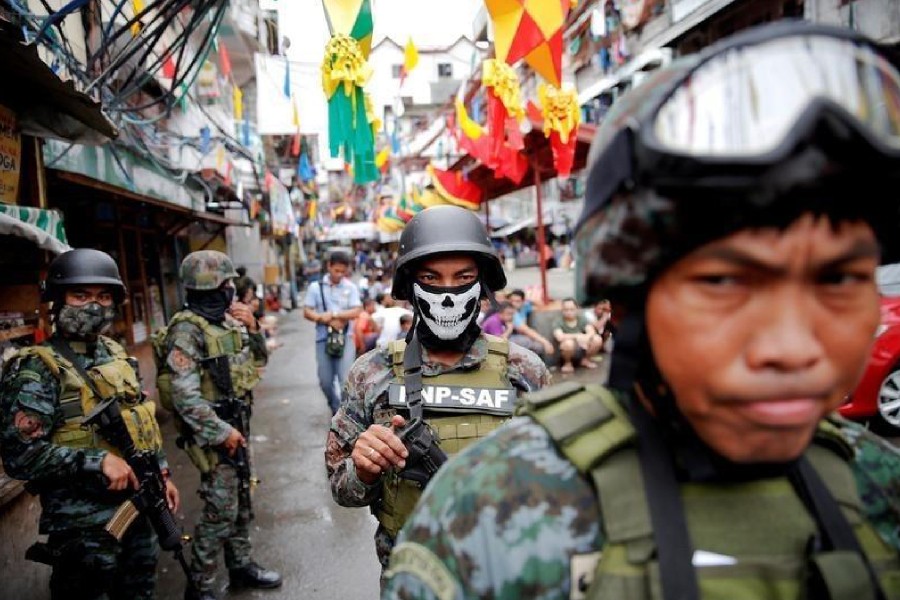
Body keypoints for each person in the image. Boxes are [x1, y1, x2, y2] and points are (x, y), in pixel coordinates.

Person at [384, 22, 900, 599]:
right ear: (626, 301)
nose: (795, 345)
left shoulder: (882, 490)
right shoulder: (481, 518)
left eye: (838, 278)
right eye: (725, 282)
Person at [326, 205, 551, 585]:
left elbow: (556, 489)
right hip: (412, 578)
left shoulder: (524, 370)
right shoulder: (372, 373)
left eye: (463, 277)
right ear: (410, 286)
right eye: (431, 278)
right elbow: (341, 489)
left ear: (482, 285)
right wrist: (363, 469)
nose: (448, 293)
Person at [0, 248, 180, 600]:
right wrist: (97, 461)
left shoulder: (117, 355)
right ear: (57, 299)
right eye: (80, 295)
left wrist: (162, 473)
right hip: (82, 527)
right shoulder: (35, 369)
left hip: (138, 510)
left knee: (141, 590)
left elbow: (141, 421)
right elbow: (20, 455)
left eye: (103, 296)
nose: (93, 306)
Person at [159, 250, 280, 600]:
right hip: (215, 435)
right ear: (210, 288)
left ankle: (240, 565)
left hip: (237, 425)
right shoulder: (185, 330)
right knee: (219, 512)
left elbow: (258, 360)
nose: (230, 290)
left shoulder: (227, 322)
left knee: (242, 501)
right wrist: (221, 432)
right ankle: (200, 586)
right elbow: (185, 397)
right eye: (225, 284)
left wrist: (253, 327)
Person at [303, 250, 362, 415]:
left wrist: (336, 315)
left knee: (345, 380)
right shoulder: (316, 287)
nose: (340, 274)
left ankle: (344, 414)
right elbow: (307, 311)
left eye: (343, 271)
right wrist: (324, 319)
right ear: (329, 266)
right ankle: (334, 405)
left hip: (345, 339)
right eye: (337, 270)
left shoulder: (350, 287)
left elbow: (357, 310)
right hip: (323, 339)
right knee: (325, 381)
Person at [553, 297, 603, 374]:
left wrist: (586, 338)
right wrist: (577, 336)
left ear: (577, 309)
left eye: (572, 309)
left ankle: (585, 360)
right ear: (562, 310)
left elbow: (591, 331)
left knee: (597, 339)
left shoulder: (582, 319)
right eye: (566, 309)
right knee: (568, 343)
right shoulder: (558, 321)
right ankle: (567, 363)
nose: (569, 312)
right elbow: (559, 337)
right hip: (566, 349)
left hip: (583, 346)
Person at [507, 288, 555, 360]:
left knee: (537, 346)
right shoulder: (511, 313)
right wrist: (545, 342)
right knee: (538, 346)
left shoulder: (524, 307)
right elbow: (525, 330)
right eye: (512, 301)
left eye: (517, 301)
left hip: (521, 336)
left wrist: (530, 300)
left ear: (523, 301)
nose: (513, 304)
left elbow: (540, 306)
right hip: (509, 337)